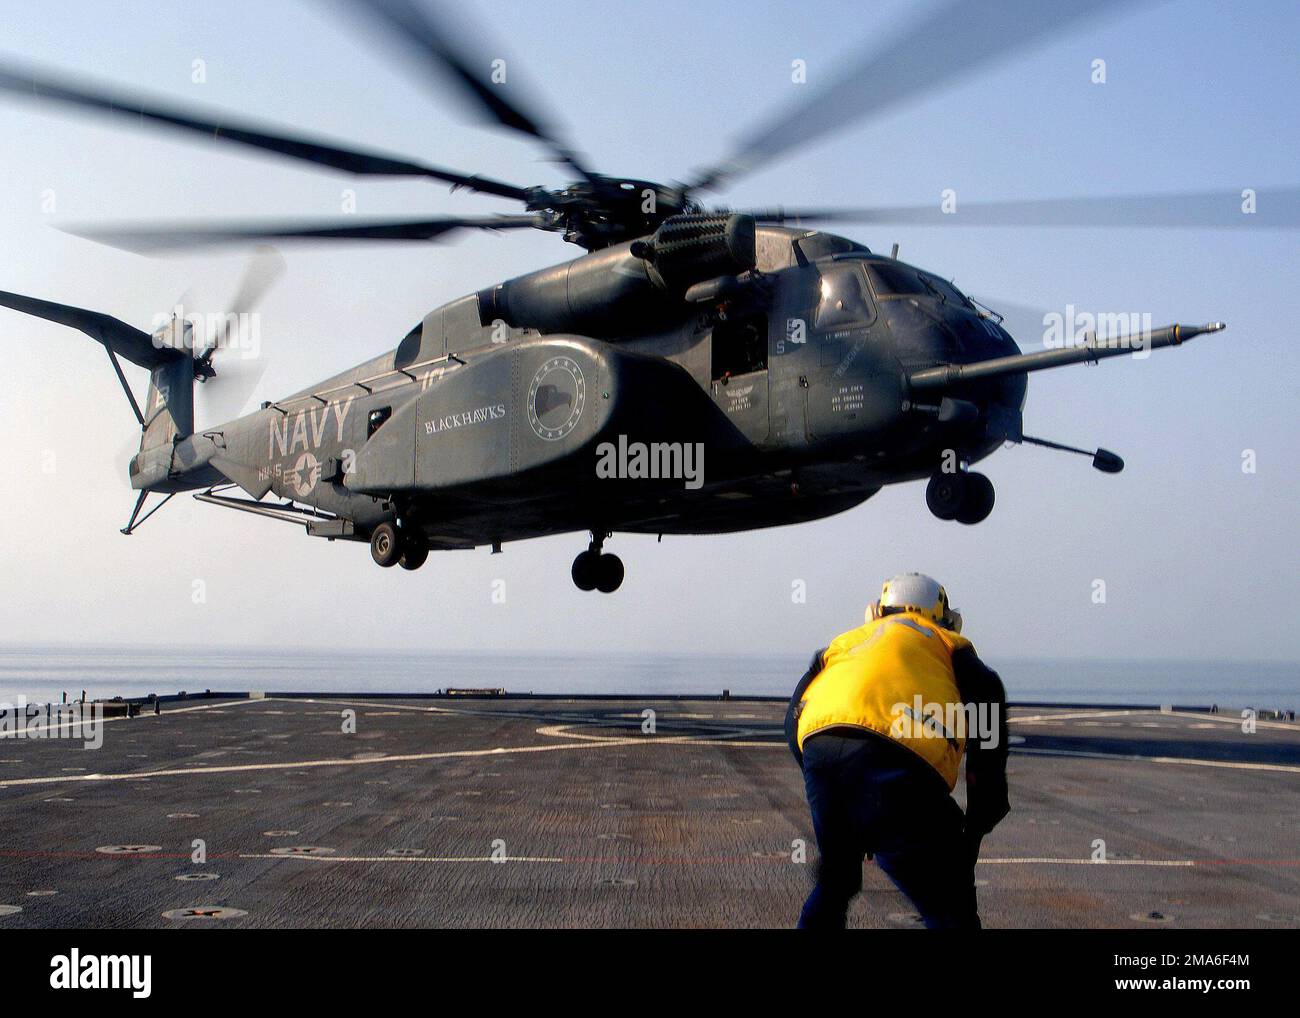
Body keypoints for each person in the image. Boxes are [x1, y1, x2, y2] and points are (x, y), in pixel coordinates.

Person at [785, 573, 1009, 929]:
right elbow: (988, 718)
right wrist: (982, 816)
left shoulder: (844, 645)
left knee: (836, 881)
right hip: (898, 764)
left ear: (875, 612)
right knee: (949, 903)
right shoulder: (949, 646)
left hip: (820, 753)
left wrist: (834, 787)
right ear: (945, 618)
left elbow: (793, 718)